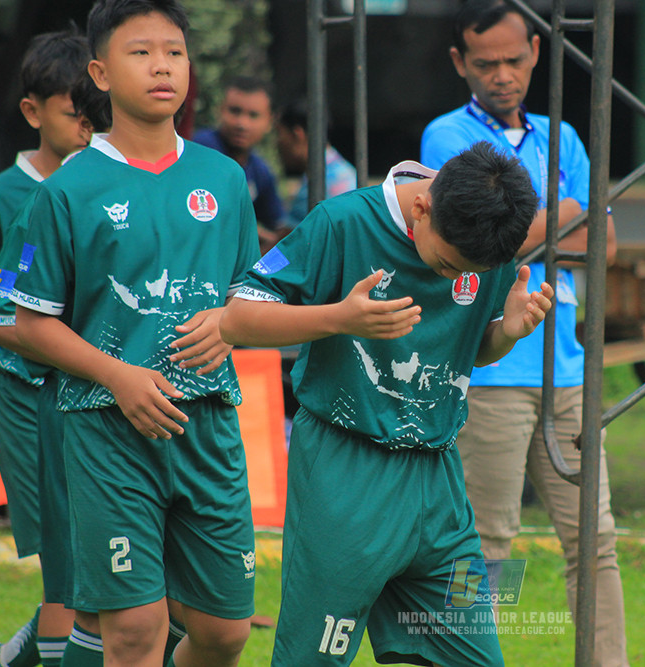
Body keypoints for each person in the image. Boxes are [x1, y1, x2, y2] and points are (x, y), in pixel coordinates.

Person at [219, 140, 552, 666]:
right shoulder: (341, 222)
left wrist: (506, 332)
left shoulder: (483, 240)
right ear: (422, 207)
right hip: (346, 474)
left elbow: (467, 349)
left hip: (440, 484)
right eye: (447, 264)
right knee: (313, 657)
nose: (453, 278)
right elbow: (236, 319)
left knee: (478, 658)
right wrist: (338, 318)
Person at [11, 1, 259, 665]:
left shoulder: (225, 179)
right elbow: (29, 321)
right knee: (132, 629)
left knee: (224, 632)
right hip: (107, 430)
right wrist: (117, 374)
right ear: (100, 71)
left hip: (207, 425)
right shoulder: (66, 190)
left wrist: (232, 324)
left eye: (174, 52)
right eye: (141, 52)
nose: (162, 67)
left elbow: (246, 294)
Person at [420, 2, 627, 664]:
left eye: (514, 60)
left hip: (566, 369)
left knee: (594, 540)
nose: (502, 75)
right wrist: (567, 212)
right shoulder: (445, 137)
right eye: (486, 64)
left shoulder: (562, 135)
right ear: (460, 63)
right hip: (492, 368)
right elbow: (474, 235)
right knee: (486, 543)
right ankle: (471, 655)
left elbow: (607, 243)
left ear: (537, 51)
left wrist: (535, 227)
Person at [0, 28, 91, 667]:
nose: (85, 128)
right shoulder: (3, 197)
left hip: (93, 391)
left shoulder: (104, 188)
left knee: (96, 559)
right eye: (72, 113)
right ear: (32, 111)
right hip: (26, 392)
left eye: (93, 116)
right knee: (65, 558)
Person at [193, 75, 285, 252]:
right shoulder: (201, 149)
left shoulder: (260, 170)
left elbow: (278, 225)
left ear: (269, 121)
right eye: (235, 111)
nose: (242, 124)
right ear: (220, 110)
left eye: (253, 115)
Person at [275, 97, 357, 228]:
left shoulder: (316, 184)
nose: (277, 142)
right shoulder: (345, 171)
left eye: (279, 133)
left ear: (298, 134)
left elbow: (285, 242)